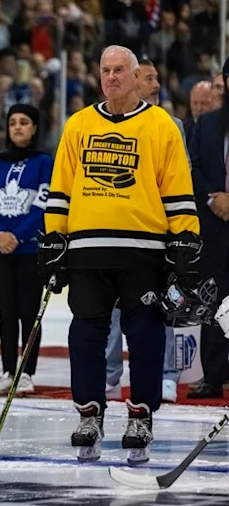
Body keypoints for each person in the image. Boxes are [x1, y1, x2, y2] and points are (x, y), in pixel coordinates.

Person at [40, 45, 199, 464]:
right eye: (105, 70)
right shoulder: (78, 125)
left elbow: (178, 189)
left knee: (145, 336)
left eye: (119, 71)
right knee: (85, 335)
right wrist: (55, 238)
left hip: (143, 253)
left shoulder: (160, 125)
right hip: (88, 251)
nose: (111, 77)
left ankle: (141, 414)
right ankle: (90, 412)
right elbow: (61, 189)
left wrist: (184, 241)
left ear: (135, 75)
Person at [104, 58, 189, 403]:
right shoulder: (106, 123)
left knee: (160, 309)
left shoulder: (171, 125)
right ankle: (109, 376)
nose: (156, 84)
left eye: (157, 78)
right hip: (115, 233)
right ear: (134, 79)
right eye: (149, 77)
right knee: (109, 312)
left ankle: (167, 375)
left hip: (156, 235)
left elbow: (179, 182)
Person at [0, 104, 53, 396]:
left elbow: (42, 206)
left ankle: (26, 373)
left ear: (35, 128)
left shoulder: (44, 161)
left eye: (24, 122)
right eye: (13, 123)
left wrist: (17, 237)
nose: (18, 127)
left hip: (29, 250)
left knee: (29, 313)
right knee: (6, 313)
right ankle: (8, 371)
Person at [185, 57, 229, 400]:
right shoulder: (208, 123)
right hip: (213, 229)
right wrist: (215, 200)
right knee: (211, 302)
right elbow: (194, 167)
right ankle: (212, 376)